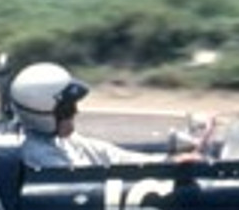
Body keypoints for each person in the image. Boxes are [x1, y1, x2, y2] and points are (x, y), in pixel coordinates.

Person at [9, 62, 166, 169]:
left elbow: (112, 156)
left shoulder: (63, 141)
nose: (75, 112)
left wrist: (168, 161)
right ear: (46, 114)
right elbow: (86, 183)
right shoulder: (41, 157)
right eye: (68, 109)